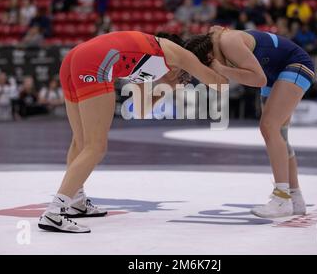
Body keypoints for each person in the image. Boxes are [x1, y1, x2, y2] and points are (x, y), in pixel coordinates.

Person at [38, 31, 228, 233]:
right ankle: (54, 211)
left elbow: (141, 109)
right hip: (94, 62)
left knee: (81, 141)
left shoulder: (145, 62)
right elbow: (220, 84)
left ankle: (75, 200)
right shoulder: (178, 53)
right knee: (96, 147)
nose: (180, 76)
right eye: (181, 73)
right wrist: (221, 64)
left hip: (75, 58)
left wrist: (169, 87)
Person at [184, 25, 315, 218]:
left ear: (210, 57)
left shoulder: (228, 42)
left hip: (294, 65)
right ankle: (295, 198)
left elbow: (259, 79)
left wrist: (222, 69)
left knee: (269, 127)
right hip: (277, 72)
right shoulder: (219, 42)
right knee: (279, 135)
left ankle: (281, 198)